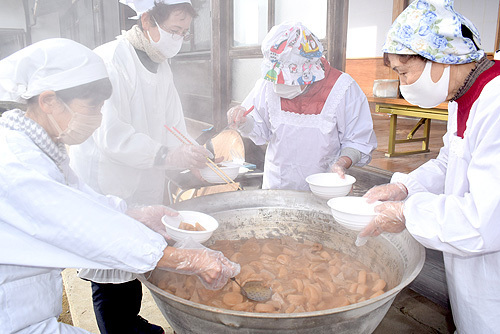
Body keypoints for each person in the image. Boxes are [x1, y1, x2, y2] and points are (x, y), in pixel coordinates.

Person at [0, 38, 239, 334]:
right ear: (48, 101)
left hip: (28, 306)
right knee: (111, 286)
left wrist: (132, 214)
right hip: (10, 315)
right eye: (91, 108)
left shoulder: (40, 146)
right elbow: (83, 227)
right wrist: (190, 258)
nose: (97, 119)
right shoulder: (16, 162)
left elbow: (81, 201)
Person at [68, 1, 217, 333]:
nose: (178, 39)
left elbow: (172, 122)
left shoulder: (159, 63)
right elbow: (111, 135)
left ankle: (130, 322)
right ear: (148, 19)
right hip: (110, 180)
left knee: (138, 255)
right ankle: (120, 328)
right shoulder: (110, 60)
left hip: (145, 177)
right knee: (112, 267)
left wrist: (188, 152)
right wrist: (166, 155)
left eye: (184, 33)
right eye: (174, 30)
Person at [358, 0, 500, 332]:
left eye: (404, 72)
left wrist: (407, 211)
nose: (404, 85)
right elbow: (451, 162)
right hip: (473, 272)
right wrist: (404, 187)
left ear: (439, 57)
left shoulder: (496, 104)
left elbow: (486, 220)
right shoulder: (464, 94)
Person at [227, 22, 377, 191]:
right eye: (277, 77)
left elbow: (359, 140)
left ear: (309, 71)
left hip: (324, 189)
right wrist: (243, 121)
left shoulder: (342, 88)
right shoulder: (267, 84)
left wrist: (342, 163)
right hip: (276, 186)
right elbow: (261, 129)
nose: (279, 84)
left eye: (288, 79)